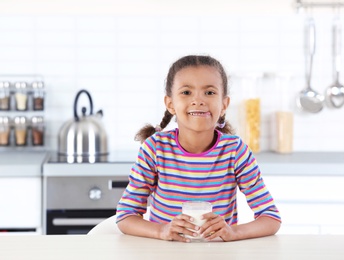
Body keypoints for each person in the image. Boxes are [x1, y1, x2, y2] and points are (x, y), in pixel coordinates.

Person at [116, 55, 281, 242]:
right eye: (186, 92)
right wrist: (162, 231)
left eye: (209, 93)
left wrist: (234, 232)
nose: (198, 100)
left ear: (224, 104)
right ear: (170, 104)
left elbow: (271, 217)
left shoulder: (235, 151)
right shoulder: (155, 149)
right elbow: (125, 216)